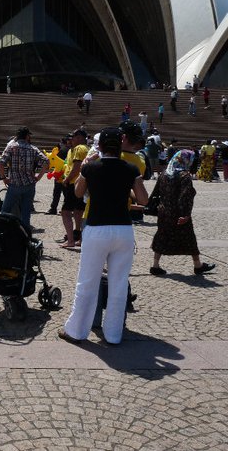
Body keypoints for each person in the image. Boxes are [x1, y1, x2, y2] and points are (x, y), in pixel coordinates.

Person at [59, 127, 148, 345]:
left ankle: (77, 330)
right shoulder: (131, 168)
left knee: (87, 281)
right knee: (118, 283)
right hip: (123, 229)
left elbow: (79, 193)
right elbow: (144, 200)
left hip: (97, 227)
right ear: (121, 143)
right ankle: (113, 334)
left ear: (99, 146)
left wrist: (87, 168)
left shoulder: (91, 167)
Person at [149, 150, 216, 276]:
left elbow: (155, 192)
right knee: (189, 238)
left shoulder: (164, 173)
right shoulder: (184, 176)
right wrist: (185, 214)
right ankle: (198, 265)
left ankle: (155, 266)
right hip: (178, 213)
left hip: (164, 212)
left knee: (162, 236)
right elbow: (185, 197)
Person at [0, 126, 48, 229]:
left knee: (5, 210)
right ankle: (25, 235)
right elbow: (46, 161)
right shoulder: (33, 148)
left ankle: (1, 231)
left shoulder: (11, 147)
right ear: (27, 136)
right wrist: (39, 176)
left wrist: (4, 178)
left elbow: (0, 162)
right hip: (29, 184)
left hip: (14, 184)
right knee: (26, 212)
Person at [60, 130, 88, 248]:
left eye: (74, 137)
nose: (71, 139)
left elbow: (76, 167)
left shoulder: (79, 148)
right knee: (79, 211)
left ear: (80, 137)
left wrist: (67, 179)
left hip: (74, 183)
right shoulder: (77, 149)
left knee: (66, 212)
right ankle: (80, 238)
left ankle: (70, 239)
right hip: (81, 184)